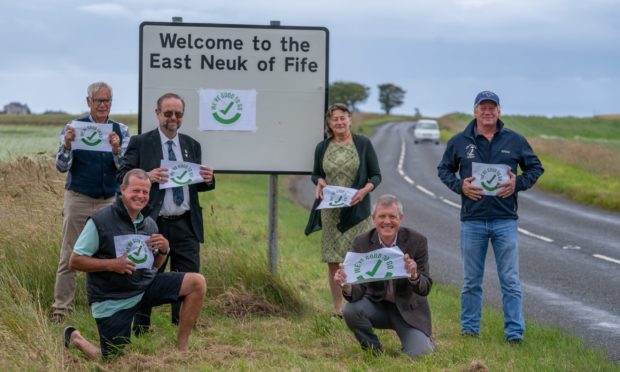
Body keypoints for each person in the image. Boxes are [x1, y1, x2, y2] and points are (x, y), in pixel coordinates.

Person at [64, 169, 206, 359]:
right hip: (112, 299)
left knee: (197, 282)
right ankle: (76, 339)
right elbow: (74, 261)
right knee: (114, 359)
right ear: (123, 190)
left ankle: (182, 350)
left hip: (143, 288)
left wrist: (164, 251)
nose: (140, 196)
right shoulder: (100, 221)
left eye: (145, 192)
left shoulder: (149, 224)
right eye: (136, 191)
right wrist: (112, 265)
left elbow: (152, 267)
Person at [437, 90, 544, 343]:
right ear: (474, 111)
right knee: (471, 281)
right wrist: (459, 186)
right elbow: (443, 169)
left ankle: (514, 333)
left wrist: (518, 183)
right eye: (482, 107)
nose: (487, 112)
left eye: (492, 108)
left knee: (510, 280)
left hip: (505, 219)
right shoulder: (459, 141)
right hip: (472, 220)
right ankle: (469, 330)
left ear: (499, 111)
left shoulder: (514, 140)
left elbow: (536, 167)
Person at [117, 92, 215, 331]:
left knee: (188, 275)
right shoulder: (141, 143)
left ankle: (183, 324)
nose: (173, 118)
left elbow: (196, 184)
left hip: (186, 222)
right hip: (153, 222)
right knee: (147, 273)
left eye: (178, 114)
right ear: (157, 113)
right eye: (168, 113)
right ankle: (141, 326)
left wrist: (209, 179)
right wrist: (146, 177)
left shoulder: (192, 145)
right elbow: (121, 176)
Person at [52, 82, 130, 321]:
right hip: (78, 197)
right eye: (98, 101)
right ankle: (61, 310)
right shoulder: (74, 127)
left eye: (107, 101)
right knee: (70, 254)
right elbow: (61, 166)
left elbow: (124, 171)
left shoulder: (122, 131)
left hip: (109, 200)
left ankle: (109, 306)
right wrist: (67, 145)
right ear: (88, 102)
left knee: (109, 256)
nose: (103, 105)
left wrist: (117, 150)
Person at [334, 194, 434, 359]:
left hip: (407, 310)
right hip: (377, 306)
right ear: (373, 219)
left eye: (392, 216)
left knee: (421, 355)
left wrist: (414, 276)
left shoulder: (417, 241)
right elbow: (358, 291)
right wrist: (346, 285)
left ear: (400, 218)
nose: (387, 221)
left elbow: (426, 288)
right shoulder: (362, 242)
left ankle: (422, 341)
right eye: (382, 216)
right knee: (350, 311)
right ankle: (374, 351)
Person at [305, 103, 381, 318]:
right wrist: (319, 181)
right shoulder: (322, 147)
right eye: (334, 119)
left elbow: (376, 175)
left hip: (357, 211)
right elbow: (315, 174)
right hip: (331, 212)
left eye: (343, 118)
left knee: (358, 259)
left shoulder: (363, 144)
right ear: (329, 123)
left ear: (349, 120)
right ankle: (338, 309)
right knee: (334, 261)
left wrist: (364, 191)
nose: (339, 122)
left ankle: (360, 306)